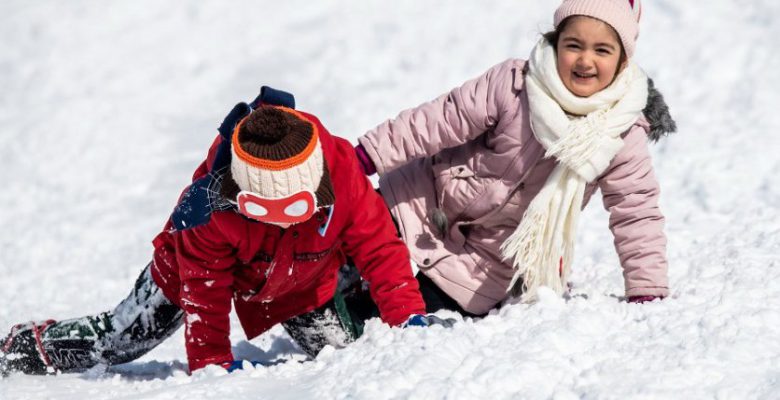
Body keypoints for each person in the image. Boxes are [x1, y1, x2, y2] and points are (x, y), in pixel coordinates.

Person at [0, 92, 441, 376]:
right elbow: (204, 288)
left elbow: (379, 248)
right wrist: (211, 361)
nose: (281, 220)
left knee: (352, 356)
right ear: (240, 192)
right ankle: (24, 347)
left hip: (302, 281)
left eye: (294, 209)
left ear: (315, 187)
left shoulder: (342, 172)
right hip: (188, 274)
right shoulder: (208, 204)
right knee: (117, 342)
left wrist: (407, 316)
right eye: (260, 210)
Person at [353, 0, 676, 317]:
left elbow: (635, 210)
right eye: (574, 45)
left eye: (602, 50)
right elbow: (436, 121)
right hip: (423, 197)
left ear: (623, 62)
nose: (585, 61)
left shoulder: (621, 131)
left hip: (486, 258)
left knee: (403, 310)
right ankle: (325, 281)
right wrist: (368, 156)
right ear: (555, 42)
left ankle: (349, 319)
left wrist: (647, 286)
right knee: (356, 231)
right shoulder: (514, 84)